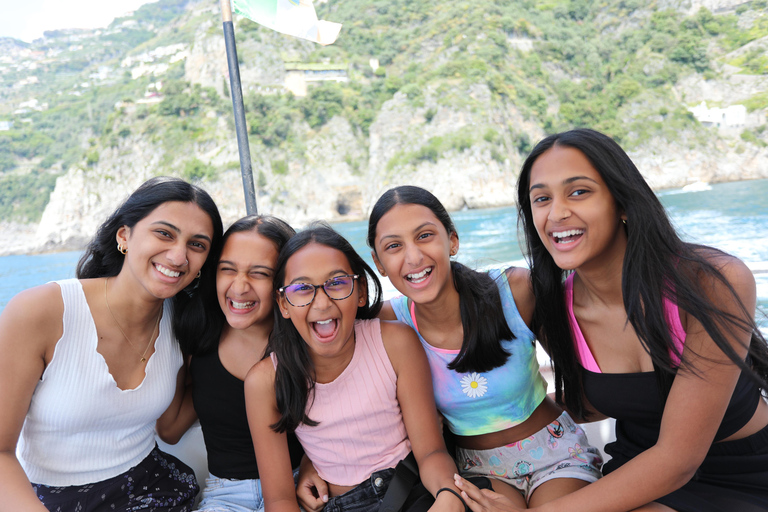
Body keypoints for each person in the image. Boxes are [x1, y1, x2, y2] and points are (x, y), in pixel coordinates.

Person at [456, 128, 768, 512]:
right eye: (541, 199)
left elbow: (678, 459)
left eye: (579, 192)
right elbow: (592, 404)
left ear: (622, 201)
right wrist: (478, 417)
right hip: (637, 465)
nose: (556, 213)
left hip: (743, 472)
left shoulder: (712, 281)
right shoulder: (555, 307)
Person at [357, 186, 600, 509]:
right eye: (394, 246)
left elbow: (589, 378)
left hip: (556, 454)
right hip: (477, 469)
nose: (413, 257)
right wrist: (309, 463)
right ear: (379, 262)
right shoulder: (389, 323)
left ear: (452, 240)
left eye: (425, 236)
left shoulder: (515, 292)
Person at [0, 176, 224, 511]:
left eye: (197, 244)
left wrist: (237, 358)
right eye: (164, 233)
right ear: (125, 236)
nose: (178, 256)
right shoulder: (42, 311)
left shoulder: (181, 322)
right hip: (47, 499)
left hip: (154, 490)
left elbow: (172, 428)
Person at [245, 224, 468, 512]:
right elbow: (279, 499)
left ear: (360, 291)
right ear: (283, 304)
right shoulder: (264, 381)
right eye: (302, 289)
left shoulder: (396, 342)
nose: (322, 303)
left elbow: (431, 452)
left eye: (337, 283)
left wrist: (448, 494)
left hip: (412, 490)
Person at [161, 215, 305, 511]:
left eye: (260, 273)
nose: (239, 287)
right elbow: (171, 428)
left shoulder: (307, 339)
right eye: (228, 270)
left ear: (284, 282)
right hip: (225, 496)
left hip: (303, 485)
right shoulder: (199, 336)